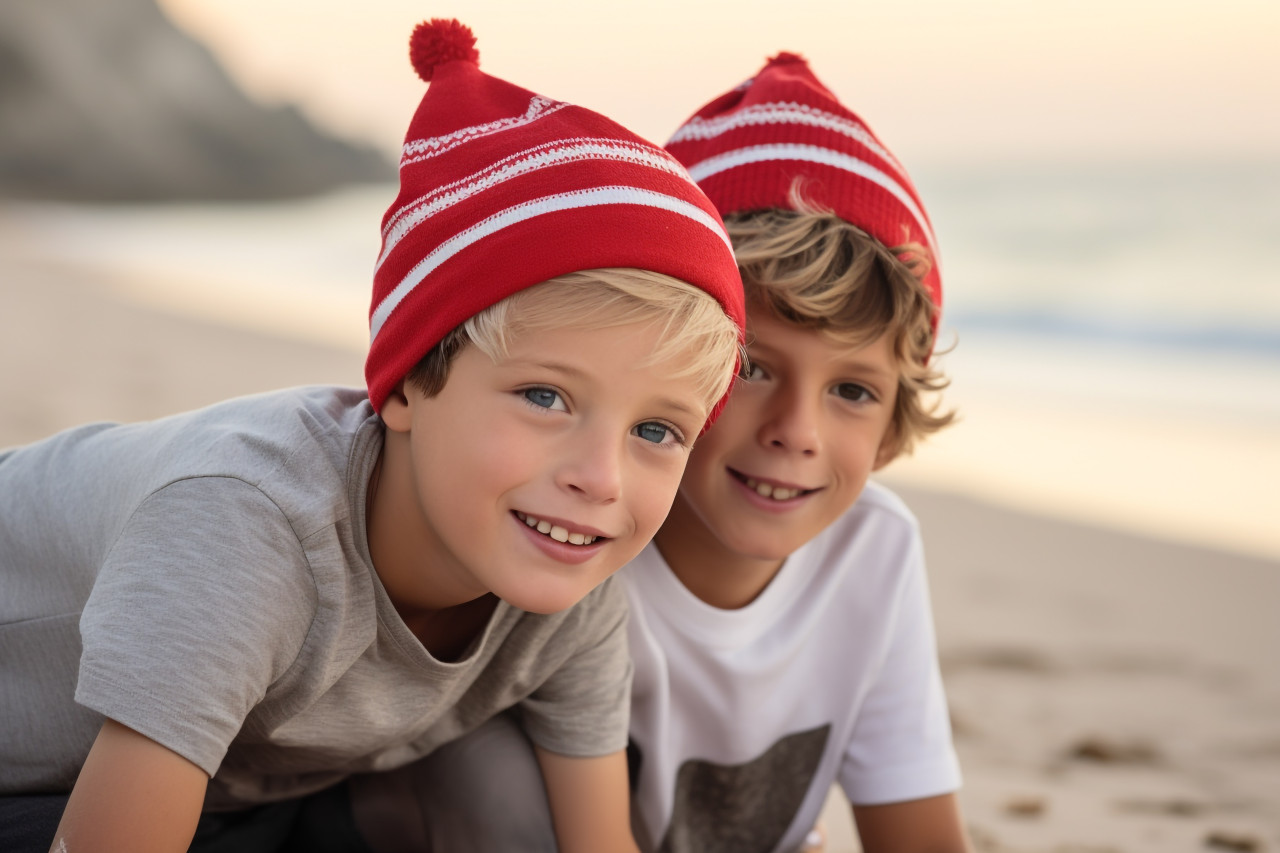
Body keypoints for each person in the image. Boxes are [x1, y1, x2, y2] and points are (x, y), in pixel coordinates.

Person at [0, 19, 745, 853]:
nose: (601, 477)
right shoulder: (247, 528)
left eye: (656, 428)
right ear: (408, 386)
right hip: (33, 778)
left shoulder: (570, 584)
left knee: (492, 780)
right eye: (544, 395)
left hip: (226, 792)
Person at [621, 52, 971, 853]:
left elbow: (918, 833)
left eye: (853, 390)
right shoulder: (580, 535)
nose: (797, 430)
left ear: (893, 422)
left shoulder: (873, 552)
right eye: (750, 367)